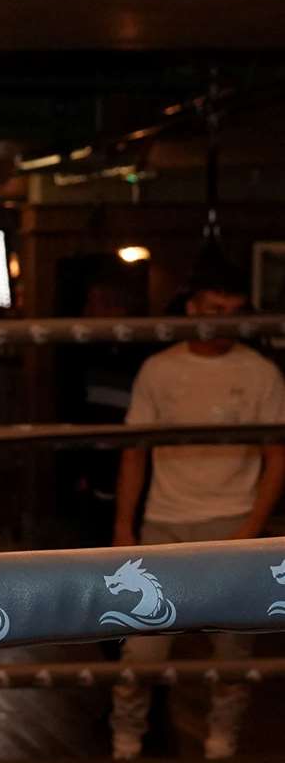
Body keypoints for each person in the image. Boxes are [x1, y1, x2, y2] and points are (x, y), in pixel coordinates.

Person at [109, 258, 285, 761]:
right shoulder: (160, 368)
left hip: (233, 522)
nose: (223, 319)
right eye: (214, 309)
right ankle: (126, 742)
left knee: (232, 653)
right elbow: (134, 452)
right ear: (192, 309)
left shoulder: (260, 372)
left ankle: (220, 742)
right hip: (164, 523)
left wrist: (252, 528)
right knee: (141, 651)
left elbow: (277, 458)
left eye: (233, 311)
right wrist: (124, 528)